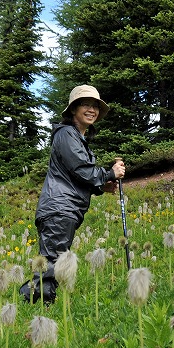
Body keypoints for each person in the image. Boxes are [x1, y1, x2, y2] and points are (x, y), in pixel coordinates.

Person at [21, 85, 126, 303]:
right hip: (60, 207)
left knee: (55, 260)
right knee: (52, 262)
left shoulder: (76, 138)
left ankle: (35, 307)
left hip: (63, 208)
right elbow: (80, 169)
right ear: (73, 109)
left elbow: (74, 175)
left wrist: (101, 186)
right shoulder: (67, 134)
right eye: (86, 104)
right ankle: (33, 307)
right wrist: (110, 172)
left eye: (95, 106)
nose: (92, 110)